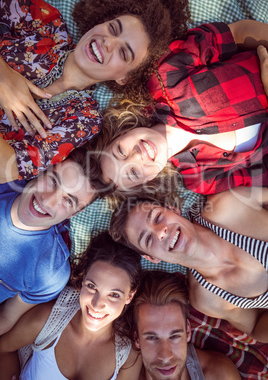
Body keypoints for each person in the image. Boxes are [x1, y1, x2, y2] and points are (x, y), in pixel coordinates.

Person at [0, 0, 189, 182]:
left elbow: (7, 167)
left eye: (124, 53)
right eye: (113, 28)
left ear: (125, 78)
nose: (108, 42)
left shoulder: (84, 119)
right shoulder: (47, 25)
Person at [99, 20, 268, 194]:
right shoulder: (201, 180)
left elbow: (237, 32)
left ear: (121, 133)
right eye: (133, 172)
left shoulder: (163, 79)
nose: (136, 156)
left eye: (120, 151)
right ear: (148, 180)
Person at [110, 186, 268, 342]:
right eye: (148, 239)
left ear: (173, 209)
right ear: (152, 258)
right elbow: (254, 325)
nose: (160, 232)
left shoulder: (228, 205)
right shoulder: (207, 299)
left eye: (158, 217)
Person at [0, 231, 143, 380]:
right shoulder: (49, 320)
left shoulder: (128, 356)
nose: (96, 305)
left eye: (114, 295)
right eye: (92, 286)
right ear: (83, 280)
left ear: (130, 296)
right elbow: (3, 348)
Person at [0, 147, 104, 336]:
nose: (48, 201)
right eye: (53, 181)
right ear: (41, 171)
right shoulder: (3, 179)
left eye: (68, 201)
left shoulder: (51, 272)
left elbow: (6, 318)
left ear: (75, 213)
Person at [132, 270, 240, 380]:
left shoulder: (218, 374)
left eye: (174, 336)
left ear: (188, 331)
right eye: (152, 338)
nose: (165, 357)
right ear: (137, 338)